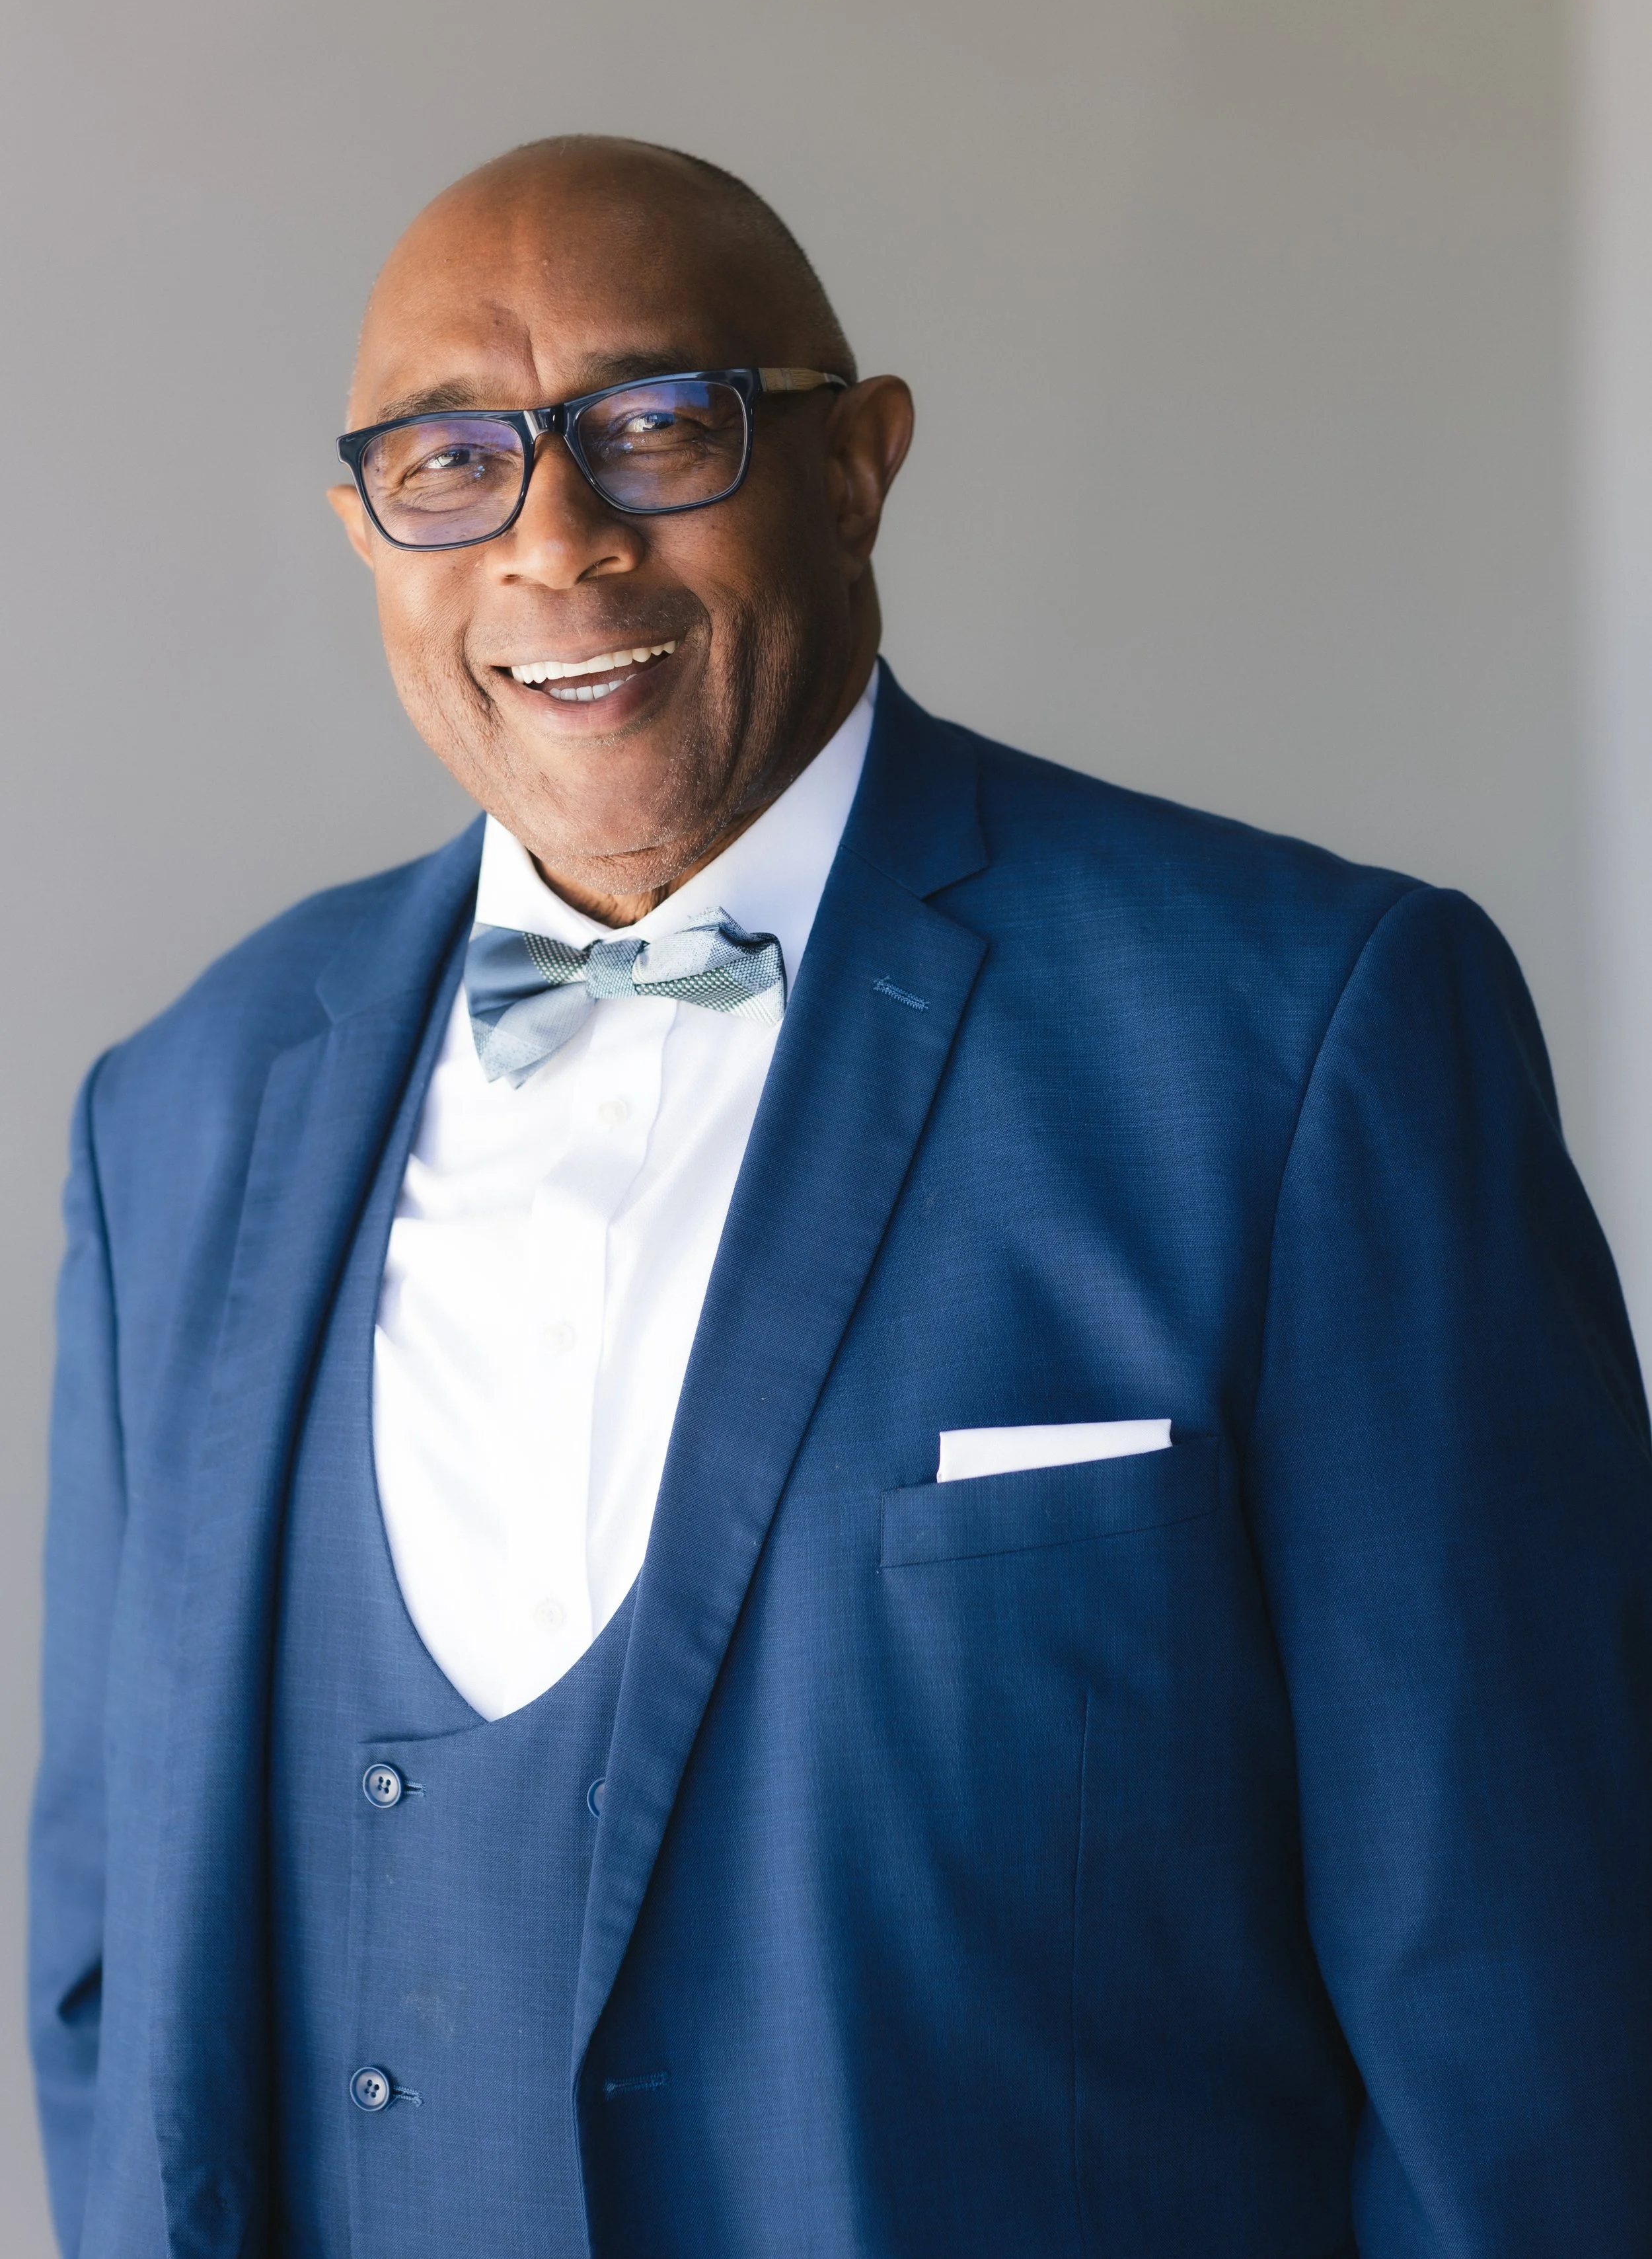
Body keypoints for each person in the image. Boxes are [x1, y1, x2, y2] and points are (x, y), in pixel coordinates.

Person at [28, 135, 1652, 2259]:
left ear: (858, 460)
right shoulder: (182, 1111)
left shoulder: (1295, 1036)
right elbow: (104, 1971)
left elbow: (1515, 2006)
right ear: (365, 529)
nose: (555, 542)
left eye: (651, 427)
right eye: (453, 464)